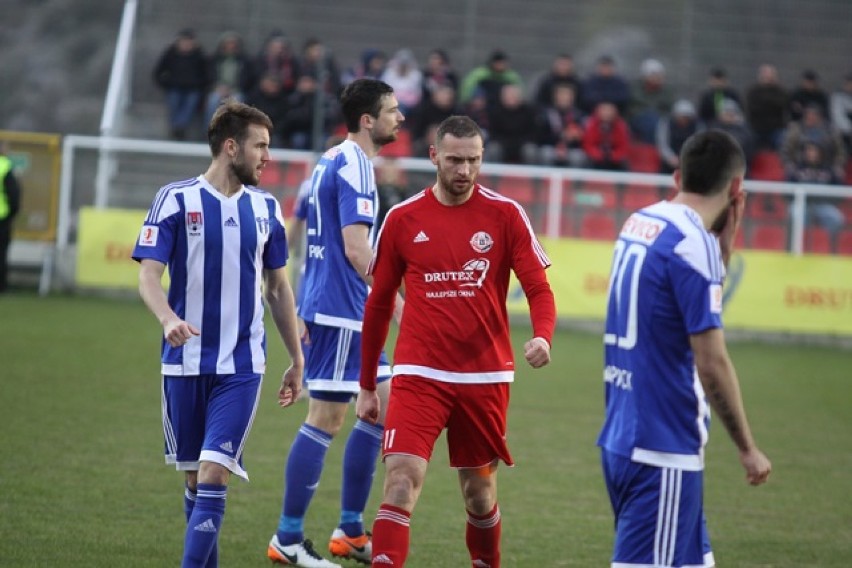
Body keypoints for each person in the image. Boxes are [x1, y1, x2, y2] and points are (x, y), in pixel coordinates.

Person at [356, 115, 557, 567]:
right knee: (401, 482)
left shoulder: (505, 215)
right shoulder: (403, 219)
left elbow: (539, 290)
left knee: (480, 494)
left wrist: (542, 336)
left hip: (485, 376)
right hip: (418, 374)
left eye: (473, 161)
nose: (464, 171)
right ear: (434, 157)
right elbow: (379, 304)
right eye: (454, 160)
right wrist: (368, 383)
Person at [132, 100, 305, 567]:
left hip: (242, 365)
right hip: (184, 362)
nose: (268, 156)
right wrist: (168, 318)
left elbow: (277, 287)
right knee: (194, 481)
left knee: (213, 473)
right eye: (260, 146)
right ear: (231, 147)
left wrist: (296, 358)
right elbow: (148, 275)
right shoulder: (175, 199)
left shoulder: (267, 208)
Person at [598, 129, 772, 568]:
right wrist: (747, 448)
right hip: (663, 446)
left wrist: (724, 251)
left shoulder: (641, 222)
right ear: (736, 189)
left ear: (678, 176)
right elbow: (711, 363)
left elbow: (681, 311)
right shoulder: (692, 245)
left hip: (624, 433)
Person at [267, 78, 405, 568]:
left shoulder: (332, 159)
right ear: (368, 120)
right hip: (343, 310)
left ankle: (349, 530)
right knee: (326, 418)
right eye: (392, 111)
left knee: (383, 410)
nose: (400, 118)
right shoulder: (358, 166)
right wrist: (398, 301)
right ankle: (287, 537)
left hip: (339, 306)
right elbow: (355, 248)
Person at [153, 28, 209, 140]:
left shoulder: (199, 56)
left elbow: (206, 73)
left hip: (193, 88)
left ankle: (179, 127)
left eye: (189, 41)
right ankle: (176, 128)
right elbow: (158, 71)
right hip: (175, 87)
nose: (186, 44)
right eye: (184, 41)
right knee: (174, 103)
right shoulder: (170, 54)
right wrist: (165, 83)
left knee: (190, 103)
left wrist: (199, 85)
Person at [744, 64, 788, 150]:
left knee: (784, 142)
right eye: (765, 75)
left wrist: (764, 102)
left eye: (770, 75)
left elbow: (781, 105)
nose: (767, 77)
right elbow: (753, 108)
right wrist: (770, 103)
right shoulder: (753, 91)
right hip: (756, 128)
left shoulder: (780, 91)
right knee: (747, 142)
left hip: (776, 128)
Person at [583, 101, 630, 171]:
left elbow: (623, 147)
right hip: (596, 157)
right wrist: (599, 155)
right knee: (586, 161)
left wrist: (613, 155)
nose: (607, 113)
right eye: (604, 110)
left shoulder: (621, 126)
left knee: (624, 163)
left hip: (614, 158)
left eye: (609, 110)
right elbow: (588, 144)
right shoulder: (592, 124)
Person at [0, 143, 22, 294]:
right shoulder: (5, 166)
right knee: (1, 253)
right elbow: (14, 194)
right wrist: (13, 213)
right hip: (2, 216)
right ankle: (1, 286)